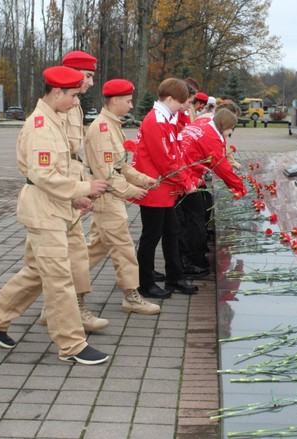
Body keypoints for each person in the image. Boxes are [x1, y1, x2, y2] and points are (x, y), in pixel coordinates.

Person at [0, 66, 111, 365]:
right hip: (42, 210)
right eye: (73, 96)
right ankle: (72, 345)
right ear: (57, 92)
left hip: (53, 206)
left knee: (38, 271)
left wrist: (76, 198)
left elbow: (57, 173)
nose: (77, 102)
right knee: (59, 278)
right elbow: (44, 175)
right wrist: (84, 187)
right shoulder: (40, 126)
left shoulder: (55, 120)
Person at [37, 50, 109, 332]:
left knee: (68, 257)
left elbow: (74, 156)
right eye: (88, 76)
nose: (91, 82)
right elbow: (55, 161)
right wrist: (77, 191)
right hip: (54, 195)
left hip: (66, 190)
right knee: (48, 263)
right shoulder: (56, 108)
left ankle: (56, 309)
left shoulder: (74, 106)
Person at [84, 79, 160, 315]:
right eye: (127, 101)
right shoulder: (102, 129)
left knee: (94, 249)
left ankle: (62, 292)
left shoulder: (113, 126)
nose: (130, 106)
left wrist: (142, 179)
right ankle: (131, 296)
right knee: (124, 248)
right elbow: (106, 172)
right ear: (114, 100)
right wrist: (131, 191)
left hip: (110, 196)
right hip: (108, 198)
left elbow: (120, 165)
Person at [133, 78, 200, 299]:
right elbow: (165, 160)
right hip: (154, 187)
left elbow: (176, 153)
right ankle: (145, 283)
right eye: (179, 102)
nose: (183, 107)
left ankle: (175, 277)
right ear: (169, 98)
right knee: (151, 236)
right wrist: (186, 181)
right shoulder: (156, 120)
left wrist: (186, 177)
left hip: (164, 187)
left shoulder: (166, 118)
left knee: (172, 231)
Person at [177, 109, 248, 274]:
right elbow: (221, 167)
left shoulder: (204, 123)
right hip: (186, 179)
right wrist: (240, 188)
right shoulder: (212, 136)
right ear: (226, 125)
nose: (230, 134)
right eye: (232, 130)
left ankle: (187, 258)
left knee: (191, 218)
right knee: (196, 221)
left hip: (184, 173)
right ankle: (194, 262)